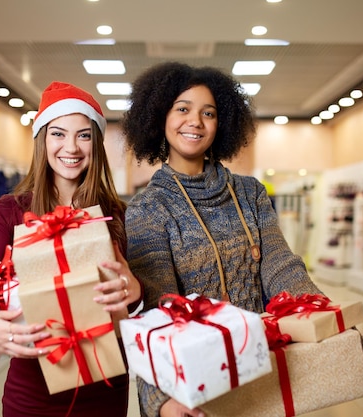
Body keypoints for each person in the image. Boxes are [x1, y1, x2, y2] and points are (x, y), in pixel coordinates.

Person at [121, 62, 324, 417]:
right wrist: (161, 400)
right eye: (182, 109)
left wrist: (323, 315)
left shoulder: (250, 193)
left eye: (208, 112)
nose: (195, 121)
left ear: (222, 123)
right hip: (195, 384)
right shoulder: (147, 209)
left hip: (262, 368)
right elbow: (157, 309)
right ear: (159, 118)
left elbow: (280, 266)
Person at [0, 81, 143, 417]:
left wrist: (136, 292)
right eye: (58, 134)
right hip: (32, 392)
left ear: (96, 144)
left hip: (105, 388)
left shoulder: (119, 214)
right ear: (42, 140)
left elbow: (139, 305)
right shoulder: (8, 213)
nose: (70, 147)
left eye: (83, 135)